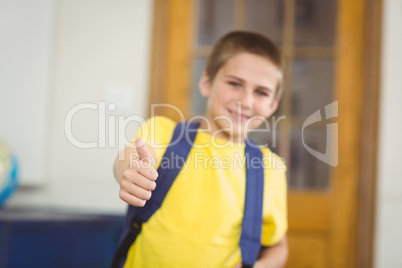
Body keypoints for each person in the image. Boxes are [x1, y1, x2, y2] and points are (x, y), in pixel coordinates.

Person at [113, 31, 288, 268]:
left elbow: (278, 246)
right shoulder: (163, 132)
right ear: (207, 83)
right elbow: (131, 157)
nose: (246, 101)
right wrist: (130, 171)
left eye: (261, 92)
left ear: (272, 105)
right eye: (235, 84)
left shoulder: (271, 169)